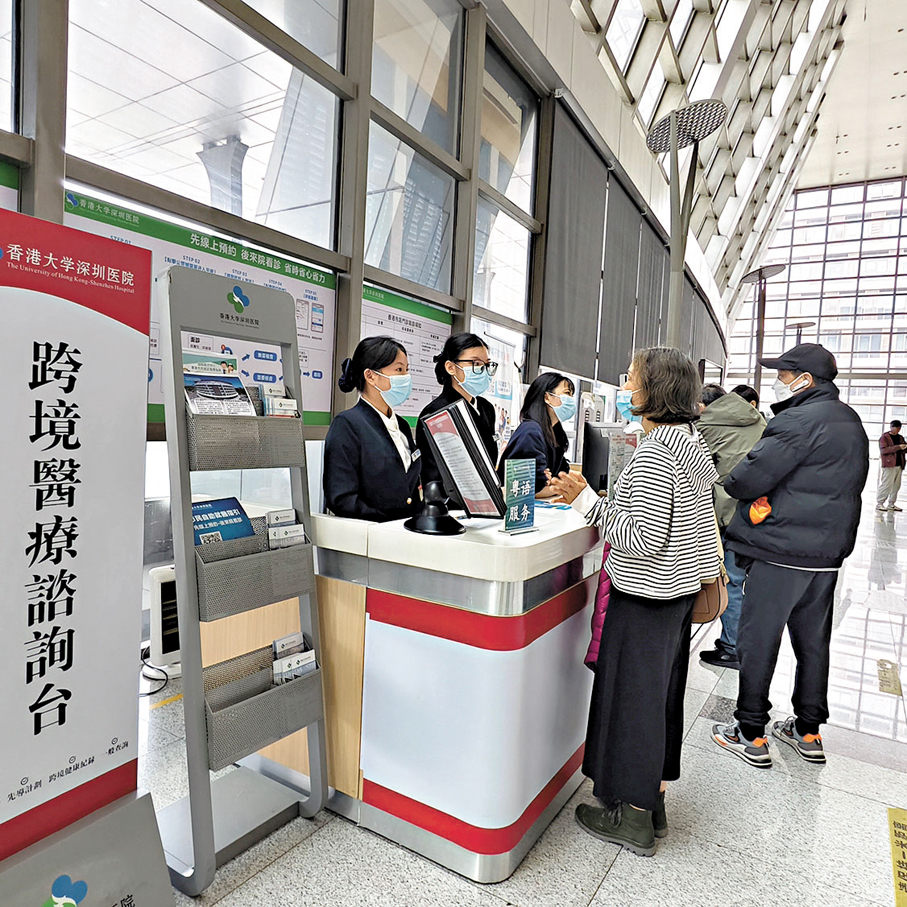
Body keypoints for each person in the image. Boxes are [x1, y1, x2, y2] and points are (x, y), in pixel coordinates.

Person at [549, 348, 720, 857]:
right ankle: (653, 802)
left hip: (645, 595)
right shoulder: (687, 445)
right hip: (676, 596)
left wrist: (586, 501)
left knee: (635, 705)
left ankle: (635, 819)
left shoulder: (654, 453)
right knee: (660, 700)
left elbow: (639, 539)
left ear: (655, 391)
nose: (625, 385)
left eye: (632, 378)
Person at [712, 343, 868, 769]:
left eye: (784, 373)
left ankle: (750, 732)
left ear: (805, 379)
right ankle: (809, 730)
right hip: (826, 556)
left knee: (758, 640)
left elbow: (746, 479)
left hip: (780, 552)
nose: (779, 380)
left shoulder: (797, 420)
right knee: (813, 643)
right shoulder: (851, 421)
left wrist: (735, 481)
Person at [697, 383, 766, 670]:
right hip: (757, 512)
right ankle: (741, 641)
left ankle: (732, 647)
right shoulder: (757, 420)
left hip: (726, 514)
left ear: (703, 406)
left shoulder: (705, 425)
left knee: (730, 581)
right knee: (743, 580)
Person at [323, 336, 422, 522]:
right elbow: (341, 498)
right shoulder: (348, 424)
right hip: (372, 536)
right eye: (399, 370)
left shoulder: (402, 425)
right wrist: (385, 525)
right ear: (370, 376)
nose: (406, 377)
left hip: (407, 533)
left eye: (407, 370)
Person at [416, 333, 499, 504]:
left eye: (487, 364)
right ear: (451, 367)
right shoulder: (436, 412)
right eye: (476, 363)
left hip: (488, 503)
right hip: (454, 508)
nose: (483, 371)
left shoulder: (486, 408)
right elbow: (434, 475)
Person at [497, 372, 575, 497]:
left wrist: (553, 484)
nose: (571, 399)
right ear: (547, 397)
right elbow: (530, 487)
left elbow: (562, 475)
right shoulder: (530, 432)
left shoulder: (555, 433)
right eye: (567, 393)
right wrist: (554, 488)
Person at [877, 420, 906, 512]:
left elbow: (903, 450)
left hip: (899, 464)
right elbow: (884, 451)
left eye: (897, 428)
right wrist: (898, 447)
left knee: (896, 485)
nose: (894, 429)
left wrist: (904, 448)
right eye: (893, 427)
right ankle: (880, 503)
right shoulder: (884, 437)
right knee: (886, 484)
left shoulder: (900, 438)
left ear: (899, 428)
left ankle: (891, 504)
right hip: (889, 464)